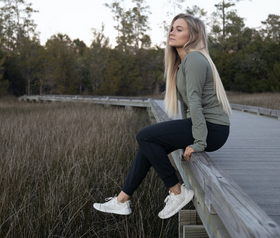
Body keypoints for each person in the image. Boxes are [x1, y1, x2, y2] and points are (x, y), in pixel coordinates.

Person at [93, 13, 231, 219]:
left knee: (145, 135)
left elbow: (195, 103)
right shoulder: (182, 63)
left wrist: (199, 142)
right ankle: (122, 200)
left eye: (179, 29)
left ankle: (177, 191)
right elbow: (187, 106)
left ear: (193, 36)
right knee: (148, 147)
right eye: (172, 28)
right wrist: (189, 134)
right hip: (206, 127)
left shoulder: (194, 59)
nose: (172, 32)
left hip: (213, 130)